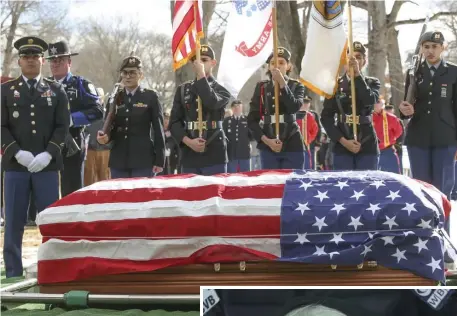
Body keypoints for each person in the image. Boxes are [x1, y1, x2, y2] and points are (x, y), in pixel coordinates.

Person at [1, 36, 70, 277]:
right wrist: (16, 152)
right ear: (19, 61)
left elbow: (63, 126)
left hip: (46, 166)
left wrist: (48, 154)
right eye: (26, 57)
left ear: (42, 60)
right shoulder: (6, 90)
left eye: (35, 57)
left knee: (50, 222)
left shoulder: (56, 89)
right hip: (15, 166)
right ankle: (12, 273)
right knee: (13, 221)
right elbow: (1, 126)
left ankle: (52, 271)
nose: (30, 61)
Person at [399, 31, 457, 202]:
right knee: (421, 189)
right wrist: (404, 110)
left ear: (443, 48)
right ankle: (424, 229)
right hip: (418, 138)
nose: (430, 50)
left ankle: (441, 228)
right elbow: (406, 105)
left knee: (442, 189)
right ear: (421, 49)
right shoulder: (414, 72)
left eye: (434, 46)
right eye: (426, 47)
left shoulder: (453, 72)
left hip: (445, 138)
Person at [46, 40, 103, 196]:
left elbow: (97, 110)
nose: (55, 64)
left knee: (71, 187)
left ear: (69, 62)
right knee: (45, 185)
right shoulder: (42, 86)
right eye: (52, 60)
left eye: (60, 60)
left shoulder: (81, 84)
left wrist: (70, 119)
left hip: (72, 140)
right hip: (46, 141)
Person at [97, 56, 165, 178]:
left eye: (132, 73)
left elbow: (158, 130)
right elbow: (109, 126)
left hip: (143, 160)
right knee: (119, 196)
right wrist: (104, 137)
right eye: (125, 73)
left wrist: (159, 159)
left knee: (142, 196)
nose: (128, 76)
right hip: (118, 160)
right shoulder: (115, 98)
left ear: (141, 75)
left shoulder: (150, 97)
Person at [169, 45, 232, 175]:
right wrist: (188, 141)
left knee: (215, 193)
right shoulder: (183, 89)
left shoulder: (222, 90)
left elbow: (212, 102)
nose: (199, 63)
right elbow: (174, 123)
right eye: (196, 61)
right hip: (189, 153)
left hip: (214, 151)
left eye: (204, 60)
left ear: (213, 63)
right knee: (191, 194)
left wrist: (202, 75)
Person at [320, 41, 381, 170]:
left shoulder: (372, 83)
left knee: (367, 184)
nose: (353, 61)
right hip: (342, 142)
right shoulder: (334, 85)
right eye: (350, 57)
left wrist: (358, 76)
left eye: (358, 57)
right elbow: (326, 118)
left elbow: (370, 100)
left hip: (366, 141)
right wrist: (343, 141)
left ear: (364, 62)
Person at [247, 47, 305, 169]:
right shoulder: (262, 87)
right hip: (268, 143)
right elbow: (252, 120)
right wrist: (266, 141)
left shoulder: (296, 86)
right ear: (269, 67)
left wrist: (283, 84)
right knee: (271, 184)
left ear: (289, 66)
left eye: (281, 63)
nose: (276, 66)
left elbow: (294, 107)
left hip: (292, 142)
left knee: (292, 184)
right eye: (273, 63)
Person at [84, 89, 111, 185]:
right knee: (89, 179)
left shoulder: (108, 113)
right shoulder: (86, 113)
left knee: (105, 179)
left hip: (105, 151)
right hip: (90, 151)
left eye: (99, 97)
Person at [372, 97, 403, 173]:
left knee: (392, 178)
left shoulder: (391, 118)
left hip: (387, 151)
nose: (376, 104)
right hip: (371, 152)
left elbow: (398, 132)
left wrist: (390, 139)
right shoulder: (367, 117)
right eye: (374, 101)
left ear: (383, 104)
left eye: (378, 102)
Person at [223, 100, 252, 173]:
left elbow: (252, 135)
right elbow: (224, 136)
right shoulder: (227, 121)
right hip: (231, 153)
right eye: (234, 106)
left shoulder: (247, 120)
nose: (236, 108)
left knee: (245, 175)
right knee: (231, 176)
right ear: (232, 108)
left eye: (238, 106)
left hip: (244, 152)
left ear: (241, 107)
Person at [296, 96, 318, 169]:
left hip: (305, 146)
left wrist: (308, 139)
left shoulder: (309, 115)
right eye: (304, 103)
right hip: (293, 146)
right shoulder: (293, 114)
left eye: (307, 103)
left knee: (306, 168)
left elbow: (315, 130)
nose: (306, 105)